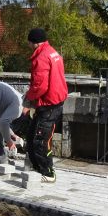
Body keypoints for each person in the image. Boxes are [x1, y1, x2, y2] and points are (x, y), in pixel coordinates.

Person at [23, 28, 68, 183]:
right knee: (31, 136)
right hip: (53, 101)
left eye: (29, 43)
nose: (28, 45)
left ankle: (48, 173)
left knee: (40, 140)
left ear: (34, 42)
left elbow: (40, 86)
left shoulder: (41, 57)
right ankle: (37, 168)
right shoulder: (52, 52)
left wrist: (28, 99)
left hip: (49, 104)